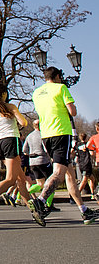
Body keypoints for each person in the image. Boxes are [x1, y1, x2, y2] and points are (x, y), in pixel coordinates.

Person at [31, 66, 99, 224]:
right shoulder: (61, 88)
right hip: (61, 132)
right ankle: (40, 202)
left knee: (70, 174)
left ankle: (84, 210)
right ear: (56, 77)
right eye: (60, 77)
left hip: (46, 135)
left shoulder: (37, 93)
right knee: (59, 173)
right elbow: (72, 112)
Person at [0, 83, 44, 226]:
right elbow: (24, 122)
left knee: (20, 179)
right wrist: (18, 124)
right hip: (11, 140)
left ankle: (32, 209)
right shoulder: (10, 107)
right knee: (11, 179)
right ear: (4, 94)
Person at [22, 119, 56, 208]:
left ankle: (24, 193)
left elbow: (24, 151)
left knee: (40, 184)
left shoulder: (29, 136)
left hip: (32, 162)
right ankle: (49, 205)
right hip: (43, 160)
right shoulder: (43, 135)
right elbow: (46, 149)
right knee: (51, 183)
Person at [75, 133, 96, 199]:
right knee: (84, 180)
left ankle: (92, 194)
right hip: (87, 164)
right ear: (86, 137)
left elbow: (73, 151)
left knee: (92, 179)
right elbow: (91, 153)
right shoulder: (87, 145)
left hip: (81, 163)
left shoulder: (77, 145)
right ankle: (77, 194)